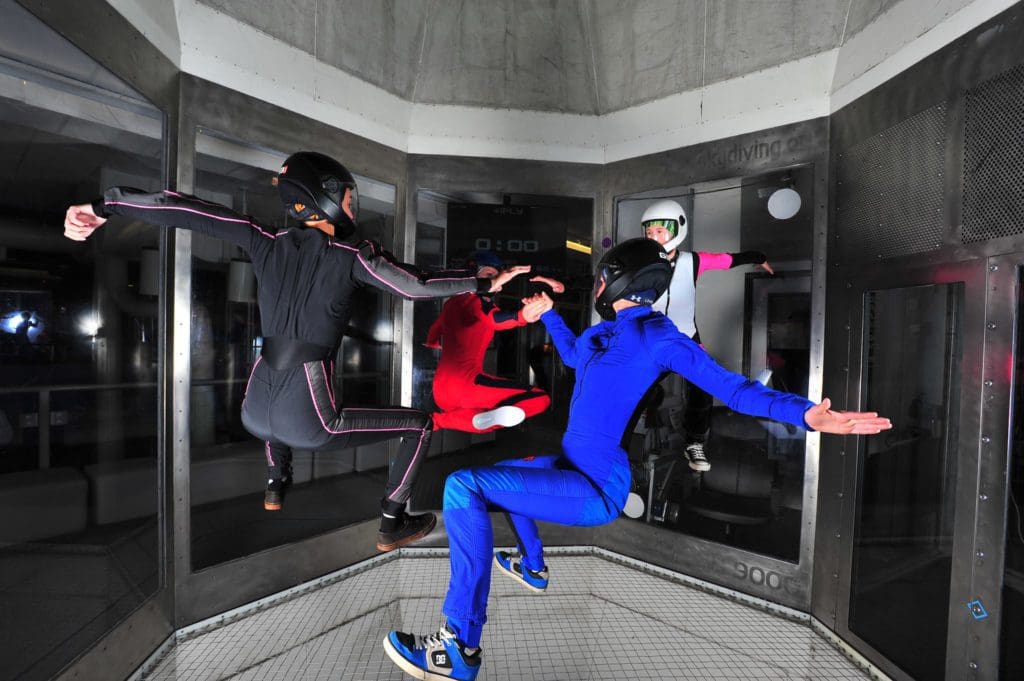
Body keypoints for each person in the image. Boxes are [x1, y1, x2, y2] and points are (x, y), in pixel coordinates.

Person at [383, 238, 891, 681]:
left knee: (462, 486)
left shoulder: (660, 336)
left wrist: (807, 415)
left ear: (614, 279)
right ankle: (532, 566)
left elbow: (733, 390)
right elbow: (572, 356)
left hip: (597, 487)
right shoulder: (602, 335)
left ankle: (459, 647)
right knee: (513, 473)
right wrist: (552, 314)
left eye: (601, 278)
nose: (598, 286)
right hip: (569, 465)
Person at [63, 151, 529, 552]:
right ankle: (393, 522)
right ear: (325, 194)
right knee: (421, 424)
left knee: (282, 380)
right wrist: (483, 281)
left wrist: (107, 205)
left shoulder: (263, 240)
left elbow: (188, 209)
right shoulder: (352, 254)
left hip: (255, 406)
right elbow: (414, 284)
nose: (352, 203)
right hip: (306, 417)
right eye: (347, 194)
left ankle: (275, 482)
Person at [641, 198, 775, 472]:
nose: (654, 237)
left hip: (687, 336)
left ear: (677, 229)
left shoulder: (693, 261)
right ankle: (618, 439)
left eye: (660, 231)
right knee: (636, 385)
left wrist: (759, 257)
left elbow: (728, 260)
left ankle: (695, 442)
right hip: (650, 337)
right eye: (649, 232)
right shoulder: (639, 261)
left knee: (703, 386)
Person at [426, 250, 558, 433]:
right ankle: (439, 421)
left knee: (482, 417)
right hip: (467, 386)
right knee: (539, 398)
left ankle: (437, 421)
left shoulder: (450, 304)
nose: (496, 282)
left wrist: (437, 344)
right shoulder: (476, 300)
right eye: (489, 275)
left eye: (498, 278)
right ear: (471, 274)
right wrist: (522, 316)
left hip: (440, 390)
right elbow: (494, 319)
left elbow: (433, 334)